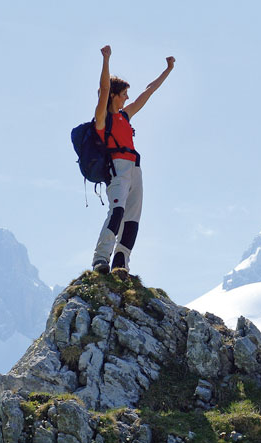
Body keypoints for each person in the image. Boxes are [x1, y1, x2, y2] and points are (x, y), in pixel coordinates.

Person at [91, 45, 175, 273]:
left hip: (135, 169)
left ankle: (121, 262)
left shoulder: (125, 116)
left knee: (132, 218)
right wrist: (106, 60)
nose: (127, 97)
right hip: (117, 169)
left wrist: (167, 70)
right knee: (117, 211)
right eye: (124, 94)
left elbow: (148, 91)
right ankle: (100, 258)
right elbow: (104, 88)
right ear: (114, 96)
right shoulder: (103, 118)